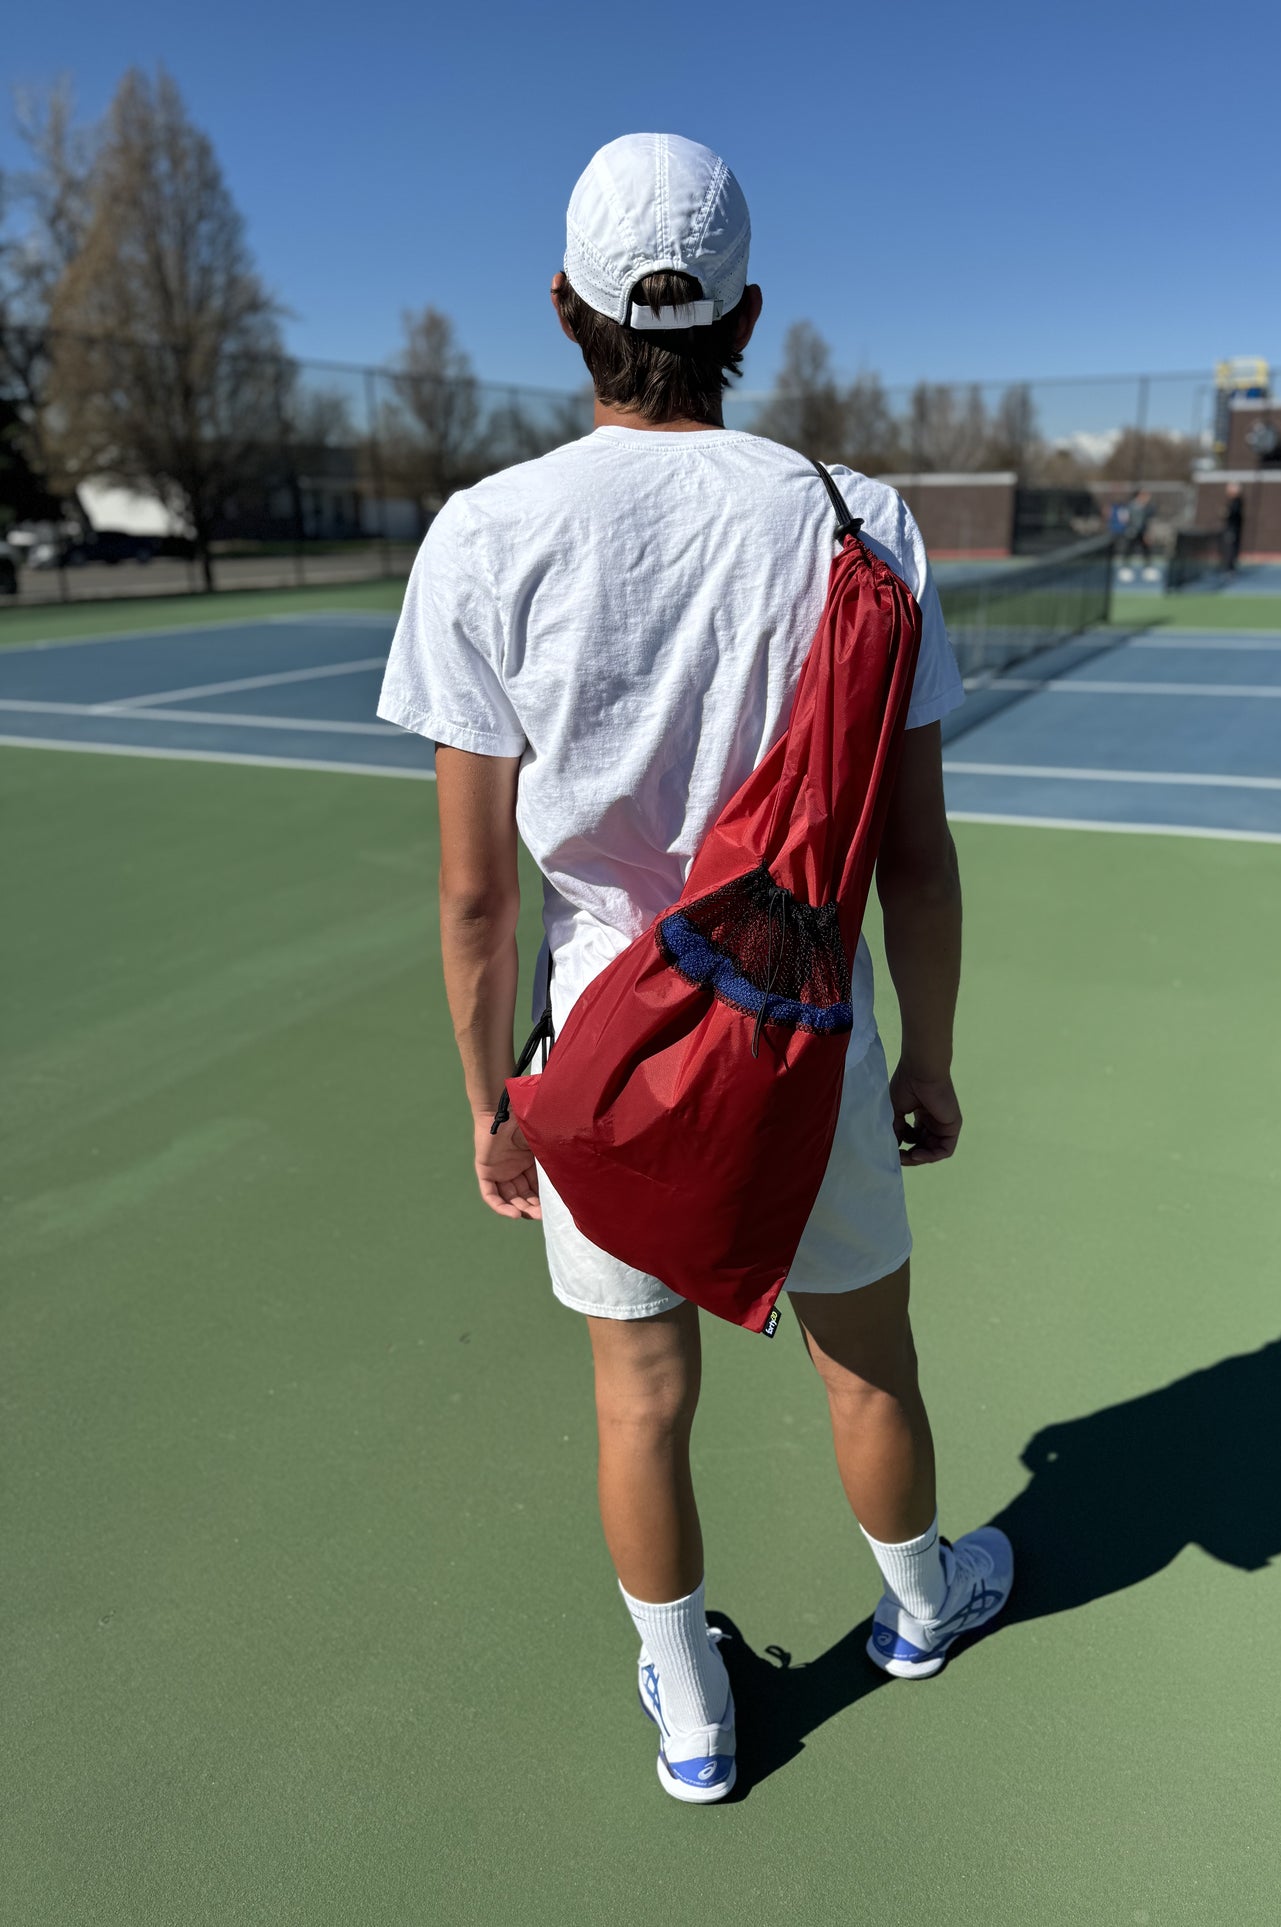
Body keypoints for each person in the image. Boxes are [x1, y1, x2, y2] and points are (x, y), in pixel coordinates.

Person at [376, 133, 1013, 1805]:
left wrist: (492, 1104)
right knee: (867, 1357)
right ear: (750, 316)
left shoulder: (484, 533)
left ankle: (692, 1714)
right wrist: (926, 1053)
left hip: (605, 1055)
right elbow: (914, 857)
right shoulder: (860, 523)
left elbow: (469, 898)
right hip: (813, 1041)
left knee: (637, 1399)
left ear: (569, 309)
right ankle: (921, 1611)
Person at [1220, 481, 1244, 573]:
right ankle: (1230, 567)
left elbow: (1232, 514)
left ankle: (1230, 568)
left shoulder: (1236, 502)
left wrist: (1226, 513)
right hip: (1232, 529)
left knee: (1231, 548)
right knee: (1230, 548)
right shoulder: (1234, 501)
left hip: (1233, 529)